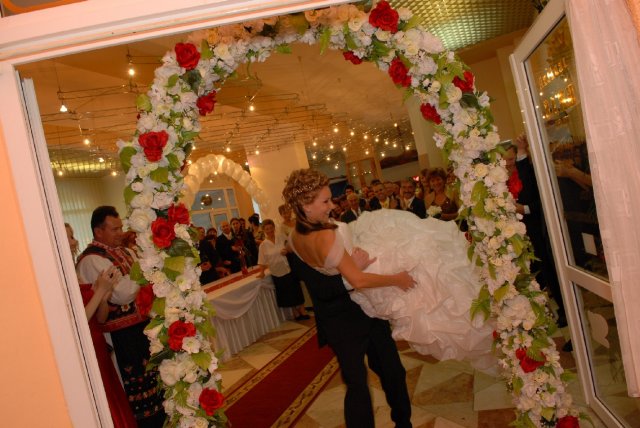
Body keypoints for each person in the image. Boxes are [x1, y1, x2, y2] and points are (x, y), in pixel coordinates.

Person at [283, 169, 414, 428]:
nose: (332, 206)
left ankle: (403, 423)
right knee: (363, 384)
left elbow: (320, 283)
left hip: (354, 316)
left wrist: (349, 270)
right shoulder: (325, 235)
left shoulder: (293, 237)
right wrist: (396, 279)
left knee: (385, 374)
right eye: (325, 201)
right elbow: (355, 281)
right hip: (345, 320)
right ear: (306, 206)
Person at [76, 206, 165, 427]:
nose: (120, 233)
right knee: (136, 393)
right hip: (120, 337)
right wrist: (143, 272)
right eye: (114, 229)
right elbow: (122, 294)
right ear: (98, 231)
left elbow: (139, 281)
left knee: (154, 383)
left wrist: (141, 274)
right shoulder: (91, 260)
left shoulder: (125, 251)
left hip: (140, 328)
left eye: (120, 227)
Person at [67, 223, 137, 427]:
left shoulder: (75, 273)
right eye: (69, 237)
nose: (74, 241)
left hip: (97, 342)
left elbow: (100, 318)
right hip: (86, 344)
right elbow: (78, 322)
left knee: (112, 395)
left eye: (73, 236)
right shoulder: (62, 277)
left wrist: (103, 296)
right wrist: (99, 292)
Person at [256, 219, 309, 320]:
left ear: (274, 228)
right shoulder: (263, 245)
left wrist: (287, 251)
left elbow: (291, 246)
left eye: (271, 228)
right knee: (287, 294)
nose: (270, 230)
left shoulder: (281, 236)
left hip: (289, 268)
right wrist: (262, 272)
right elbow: (261, 261)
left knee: (296, 290)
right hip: (277, 272)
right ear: (264, 230)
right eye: (267, 229)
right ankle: (295, 313)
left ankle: (302, 310)